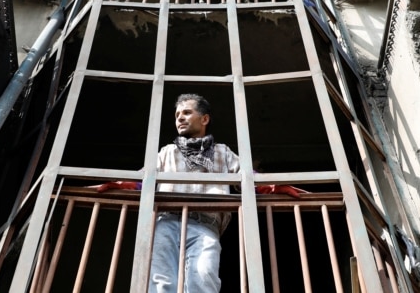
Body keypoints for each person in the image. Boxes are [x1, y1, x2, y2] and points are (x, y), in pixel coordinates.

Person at [97, 93, 302, 293]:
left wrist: (277, 187)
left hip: (206, 224)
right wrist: (116, 185)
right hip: (166, 222)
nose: (180, 118)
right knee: (161, 281)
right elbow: (142, 181)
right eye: (177, 115)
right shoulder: (167, 151)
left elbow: (249, 179)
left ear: (204, 119)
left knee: (203, 278)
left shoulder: (222, 152)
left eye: (187, 113)